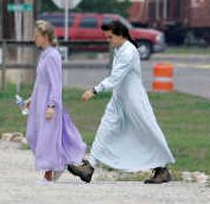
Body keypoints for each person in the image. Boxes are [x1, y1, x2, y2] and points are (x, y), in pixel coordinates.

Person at [67, 21, 175, 184]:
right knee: (105, 128)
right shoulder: (120, 49)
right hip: (119, 99)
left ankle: (162, 169)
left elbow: (116, 77)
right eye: (106, 37)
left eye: (110, 37)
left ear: (120, 35)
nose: (108, 40)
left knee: (146, 130)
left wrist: (95, 90)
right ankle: (88, 167)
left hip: (134, 101)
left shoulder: (128, 51)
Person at [26, 20, 86, 182]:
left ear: (45, 36)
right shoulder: (44, 54)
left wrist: (52, 105)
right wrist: (32, 98)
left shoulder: (53, 56)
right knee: (32, 134)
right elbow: (41, 81)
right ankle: (59, 164)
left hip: (49, 102)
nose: (35, 39)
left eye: (37, 36)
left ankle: (49, 174)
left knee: (47, 137)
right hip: (39, 100)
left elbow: (55, 83)